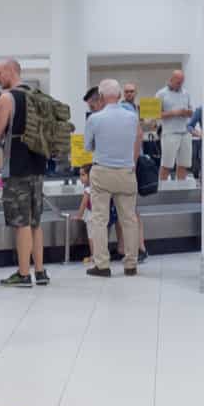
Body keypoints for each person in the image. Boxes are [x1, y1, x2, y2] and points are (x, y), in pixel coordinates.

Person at [0, 59, 49, 288]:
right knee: (35, 221)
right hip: (38, 166)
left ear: (12, 71)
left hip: (17, 168)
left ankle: (23, 274)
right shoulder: (37, 96)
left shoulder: (7, 98)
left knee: (20, 222)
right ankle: (40, 271)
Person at [82, 79, 142, 278]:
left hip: (102, 172)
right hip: (126, 172)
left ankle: (102, 265)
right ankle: (131, 264)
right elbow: (136, 140)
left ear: (100, 96)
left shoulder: (94, 119)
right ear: (119, 95)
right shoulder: (132, 117)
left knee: (99, 219)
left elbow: (88, 147)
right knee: (129, 220)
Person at [157, 69, 194, 183]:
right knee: (167, 165)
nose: (180, 85)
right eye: (178, 82)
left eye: (182, 82)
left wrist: (187, 112)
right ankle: (161, 190)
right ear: (171, 80)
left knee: (183, 164)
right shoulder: (160, 94)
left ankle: (180, 189)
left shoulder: (186, 93)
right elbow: (154, 114)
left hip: (185, 132)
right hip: (169, 133)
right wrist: (174, 113)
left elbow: (191, 111)